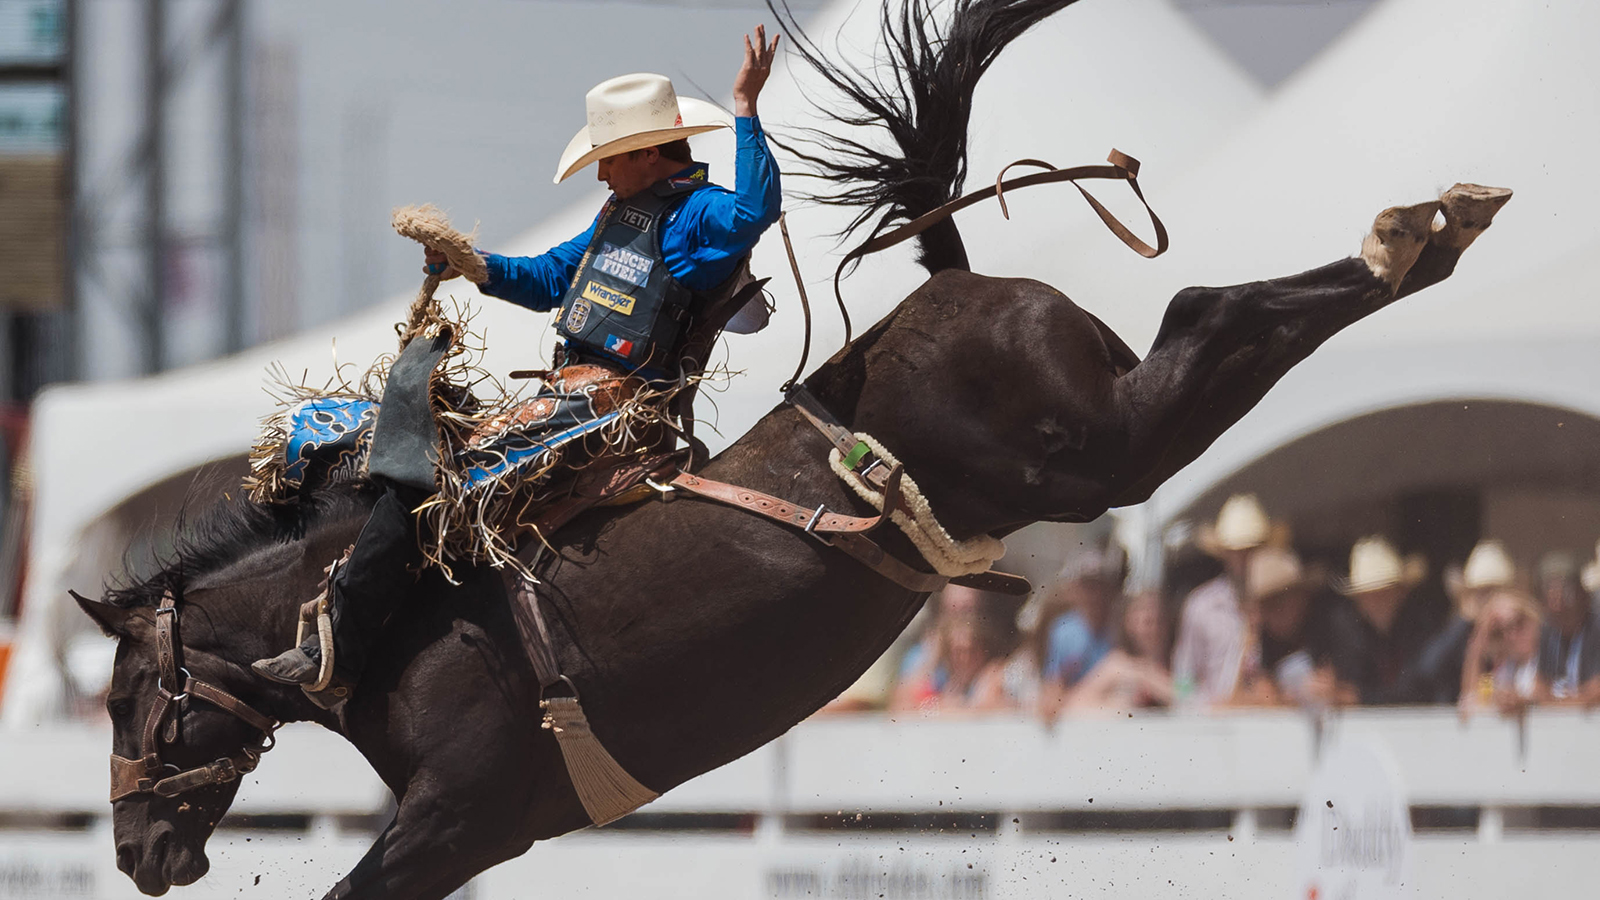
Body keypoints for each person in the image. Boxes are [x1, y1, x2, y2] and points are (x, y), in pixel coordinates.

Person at [252, 29, 784, 693]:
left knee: (433, 476)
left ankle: (344, 650)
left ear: (649, 152)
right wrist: (472, 263)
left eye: (610, 157)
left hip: (612, 405)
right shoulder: (619, 215)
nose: (600, 172)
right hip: (570, 395)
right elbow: (543, 278)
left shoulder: (698, 214)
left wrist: (745, 106)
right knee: (402, 453)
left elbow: (755, 209)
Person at [1171, 494, 1280, 708]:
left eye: (1251, 549)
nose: (1244, 559)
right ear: (1224, 554)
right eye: (1236, 551)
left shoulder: (1279, 603)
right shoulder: (1201, 605)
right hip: (1214, 727)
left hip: (1268, 721)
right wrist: (1207, 708)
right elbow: (1182, 679)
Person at [1229, 547, 1348, 710]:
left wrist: (1335, 693)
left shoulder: (1333, 627)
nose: (1272, 613)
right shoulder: (1263, 636)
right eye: (1264, 606)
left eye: (1278, 602)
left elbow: (1356, 693)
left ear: (1301, 596)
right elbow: (1249, 696)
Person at [1325, 536, 1431, 704]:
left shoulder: (1421, 626)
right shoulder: (1349, 631)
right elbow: (1349, 681)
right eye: (1367, 594)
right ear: (1358, 600)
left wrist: (1361, 698)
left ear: (1401, 592)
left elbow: (1417, 687)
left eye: (1384, 591)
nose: (1375, 601)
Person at [1407, 539, 1514, 704]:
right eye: (1480, 593)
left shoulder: (1516, 631)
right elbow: (1427, 670)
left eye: (1493, 591)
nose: (1487, 600)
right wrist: (1464, 619)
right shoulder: (1461, 632)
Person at [1036, 546, 1125, 711]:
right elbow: (1054, 683)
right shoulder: (1063, 630)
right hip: (1079, 709)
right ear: (1074, 589)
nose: (1094, 594)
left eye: (1099, 586)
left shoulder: (1121, 625)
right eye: (1087, 587)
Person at [1058, 591, 1173, 715]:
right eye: (1146, 621)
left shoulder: (1177, 662)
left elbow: (1187, 699)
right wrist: (1118, 707)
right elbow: (1073, 705)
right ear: (1128, 622)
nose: (1153, 628)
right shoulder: (1117, 665)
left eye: (1158, 619)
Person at [1459, 588, 1544, 718]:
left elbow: (1543, 695)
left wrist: (1521, 701)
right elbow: (1470, 695)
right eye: (1501, 630)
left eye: (1519, 622)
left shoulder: (1548, 655)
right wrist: (1482, 634)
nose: (1512, 634)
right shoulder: (1509, 666)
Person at [1534, 551, 1600, 703]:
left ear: (1583, 595)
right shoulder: (1548, 630)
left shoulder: (1596, 626)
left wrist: (1557, 704)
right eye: (1550, 593)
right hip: (1563, 721)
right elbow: (1539, 686)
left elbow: (1596, 691)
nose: (1558, 604)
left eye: (1566, 592)